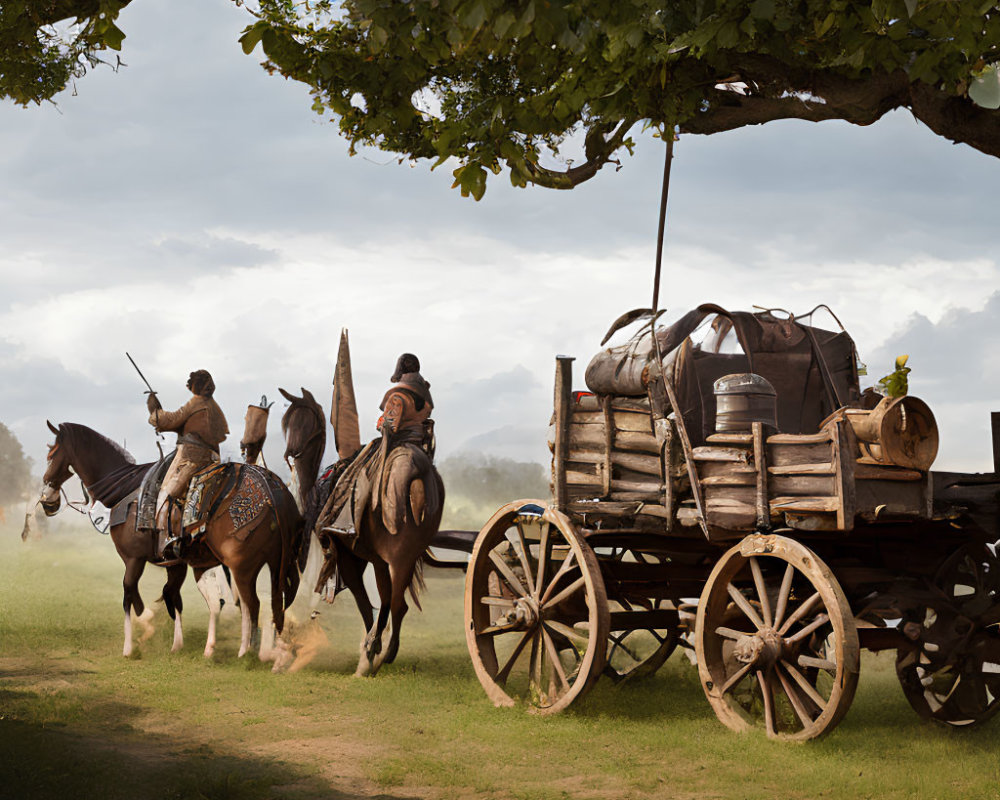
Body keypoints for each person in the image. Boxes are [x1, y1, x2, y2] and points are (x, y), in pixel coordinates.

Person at [146, 369, 229, 556]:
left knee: (167, 493)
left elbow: (170, 420)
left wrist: (154, 410)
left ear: (195, 387)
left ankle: (170, 538)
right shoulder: (213, 406)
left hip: (190, 459)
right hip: (212, 458)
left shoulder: (196, 402)